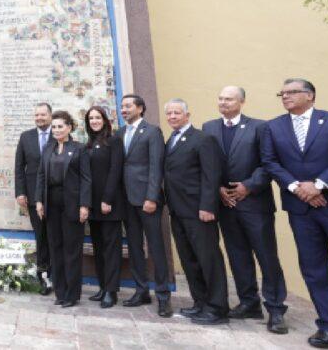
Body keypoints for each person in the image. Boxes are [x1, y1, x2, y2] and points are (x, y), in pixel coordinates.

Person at [261, 78, 328, 349]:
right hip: (301, 209)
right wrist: (297, 188)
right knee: (314, 270)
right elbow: (270, 162)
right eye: (282, 93)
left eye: (292, 92)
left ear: (310, 95)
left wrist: (319, 185)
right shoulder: (273, 127)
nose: (285, 97)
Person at [202, 86, 288, 334]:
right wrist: (217, 187)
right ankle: (249, 302)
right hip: (226, 205)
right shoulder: (209, 127)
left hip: (254, 204)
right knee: (237, 256)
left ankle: (275, 308)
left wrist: (248, 186)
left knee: (266, 256)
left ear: (242, 101)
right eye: (220, 98)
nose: (223, 102)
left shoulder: (260, 127)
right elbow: (209, 163)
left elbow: (268, 162)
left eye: (228, 99)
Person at [163, 98, 228, 325]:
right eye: (169, 113)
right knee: (189, 259)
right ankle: (200, 302)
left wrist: (208, 207)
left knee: (208, 259)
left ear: (187, 115)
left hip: (199, 212)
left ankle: (217, 307)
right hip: (178, 211)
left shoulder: (202, 139)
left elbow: (211, 176)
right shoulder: (171, 139)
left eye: (176, 113)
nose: (172, 117)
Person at [117, 94, 172, 317]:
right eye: (122, 106)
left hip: (147, 201)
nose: (124, 110)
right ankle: (141, 290)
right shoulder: (120, 133)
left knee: (156, 248)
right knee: (135, 247)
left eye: (128, 106)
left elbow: (156, 167)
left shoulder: (152, 132)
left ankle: (163, 296)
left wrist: (151, 197)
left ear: (140, 108)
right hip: (127, 201)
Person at [35, 110, 90, 307]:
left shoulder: (79, 149)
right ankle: (60, 292)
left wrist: (84, 205)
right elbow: (41, 176)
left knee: (71, 250)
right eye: (55, 127)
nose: (57, 130)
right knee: (55, 248)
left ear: (69, 128)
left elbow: (86, 179)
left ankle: (72, 294)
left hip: (72, 206)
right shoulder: (48, 149)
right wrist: (39, 201)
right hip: (51, 205)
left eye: (60, 126)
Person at [85, 106, 125, 309]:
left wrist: (107, 199)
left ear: (104, 119)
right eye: (91, 118)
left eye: (97, 117)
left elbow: (115, 171)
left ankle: (111, 291)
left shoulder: (114, 140)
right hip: (92, 207)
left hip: (109, 205)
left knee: (111, 249)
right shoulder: (89, 144)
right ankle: (102, 287)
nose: (94, 121)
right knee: (99, 248)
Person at [14, 102, 54, 295]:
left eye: (43, 114)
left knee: (54, 236)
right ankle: (43, 276)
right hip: (31, 194)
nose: (39, 118)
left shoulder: (59, 133)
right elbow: (19, 167)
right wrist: (20, 192)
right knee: (41, 236)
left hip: (55, 195)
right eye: (37, 115)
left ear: (51, 116)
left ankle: (57, 274)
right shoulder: (26, 137)